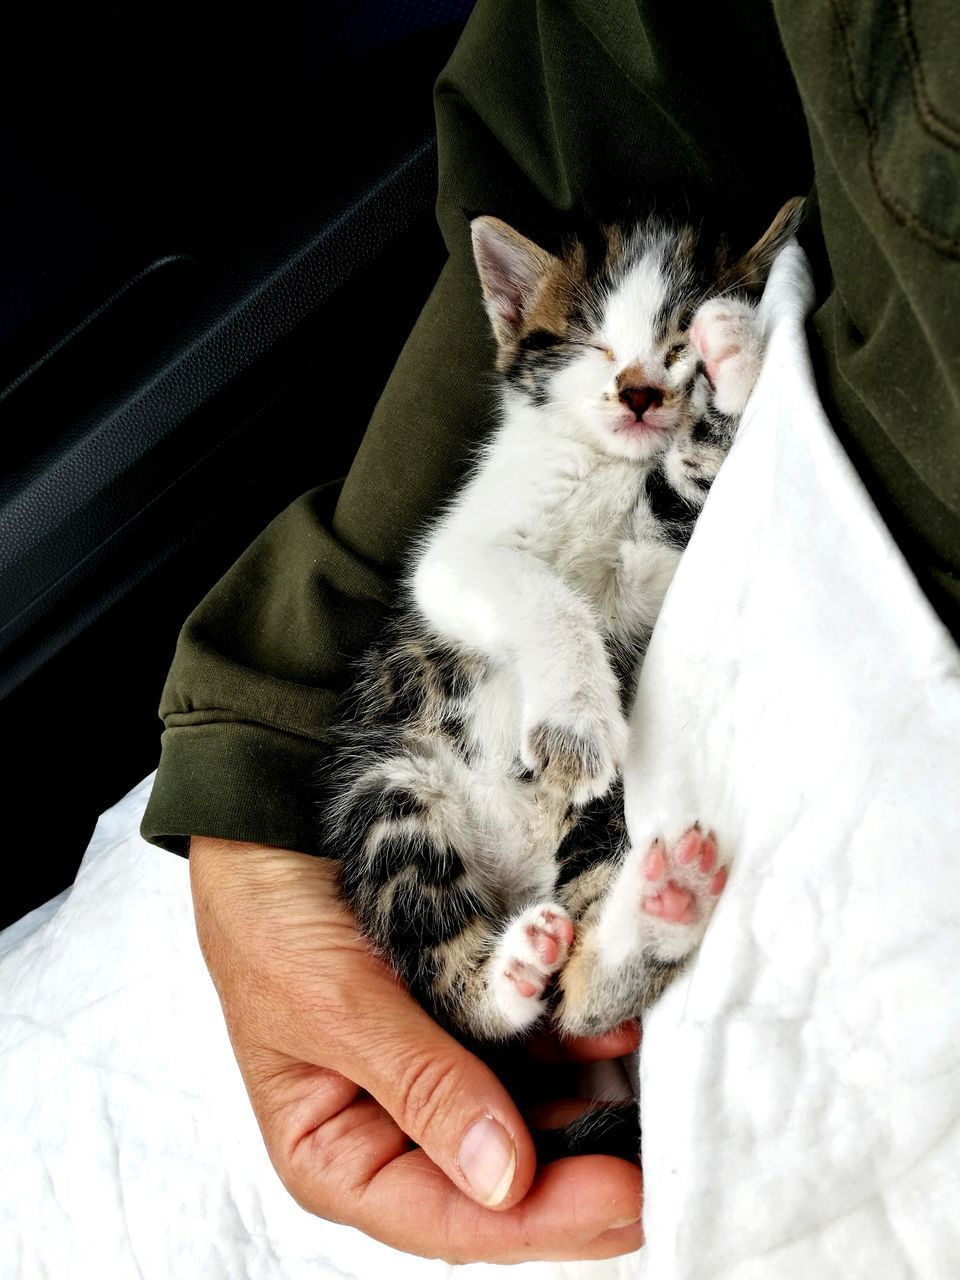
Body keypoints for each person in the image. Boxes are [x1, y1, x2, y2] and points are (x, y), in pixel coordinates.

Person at [142, 0, 960, 1263]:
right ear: (520, 328)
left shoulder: (657, 425)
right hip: (490, 739)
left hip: (756, 683)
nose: (632, 386)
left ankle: (607, 954)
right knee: (396, 808)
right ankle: (493, 975)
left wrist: (722, 401)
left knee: (602, 831)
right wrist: (256, 732)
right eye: (596, 357)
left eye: (668, 357)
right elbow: (467, 566)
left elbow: (661, 544)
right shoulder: (534, 450)